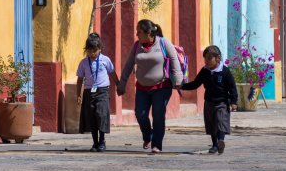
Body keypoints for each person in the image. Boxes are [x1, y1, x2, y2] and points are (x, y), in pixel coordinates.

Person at [117, 19, 182, 153]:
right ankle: (148, 136)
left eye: (139, 32)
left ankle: (156, 144)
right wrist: (122, 84)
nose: (137, 34)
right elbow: (129, 65)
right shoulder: (136, 46)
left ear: (149, 33)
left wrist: (178, 80)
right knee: (140, 114)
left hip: (162, 87)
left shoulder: (163, 42)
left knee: (158, 116)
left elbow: (174, 60)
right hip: (142, 88)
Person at [180, 45, 238, 154]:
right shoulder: (205, 71)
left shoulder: (224, 71)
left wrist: (233, 101)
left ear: (218, 58)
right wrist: (182, 86)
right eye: (205, 58)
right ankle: (214, 145)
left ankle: (221, 141)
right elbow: (195, 84)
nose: (206, 61)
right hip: (209, 102)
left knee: (221, 121)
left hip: (222, 102)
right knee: (211, 124)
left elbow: (232, 87)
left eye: (209, 58)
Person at [76, 32, 120, 152]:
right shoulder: (83, 63)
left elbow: (112, 73)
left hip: (103, 91)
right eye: (90, 51)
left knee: (101, 114)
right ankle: (95, 143)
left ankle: (102, 141)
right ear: (86, 50)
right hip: (89, 91)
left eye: (95, 50)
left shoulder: (105, 60)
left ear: (100, 49)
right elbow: (80, 79)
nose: (93, 53)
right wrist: (78, 95)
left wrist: (119, 85)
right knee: (92, 117)